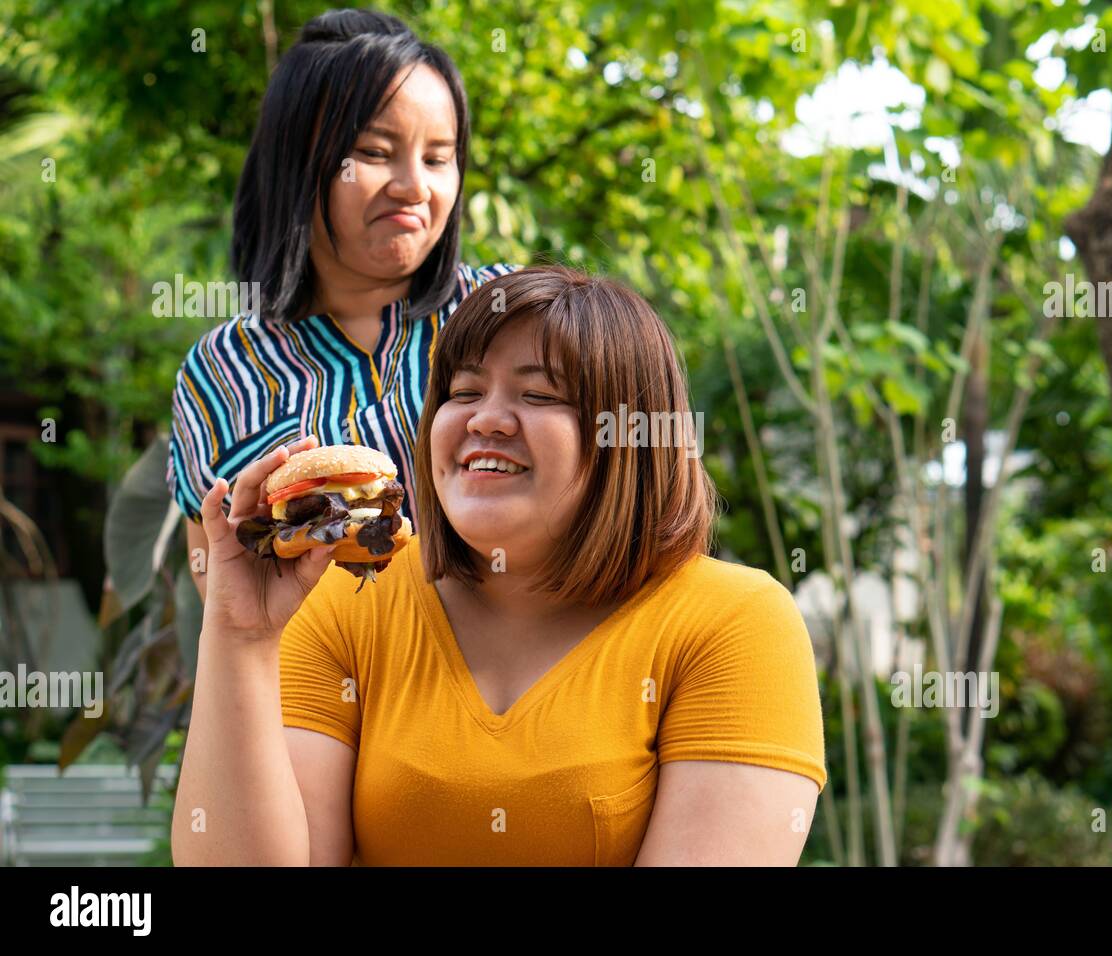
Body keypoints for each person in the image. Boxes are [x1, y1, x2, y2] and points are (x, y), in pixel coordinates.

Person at [171, 266, 828, 866]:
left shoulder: (734, 624)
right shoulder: (352, 600)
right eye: (462, 391)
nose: (486, 419)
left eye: (539, 396)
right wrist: (241, 639)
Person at [166, 9, 517, 602]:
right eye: (377, 152)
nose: (415, 186)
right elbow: (225, 612)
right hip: (322, 692)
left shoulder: (509, 314)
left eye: (438, 158)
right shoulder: (219, 372)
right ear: (298, 162)